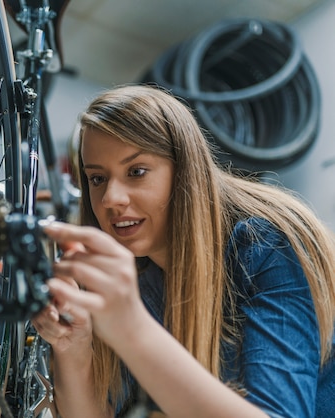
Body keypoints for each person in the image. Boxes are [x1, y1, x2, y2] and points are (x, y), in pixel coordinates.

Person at [33, 84, 335, 417]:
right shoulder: (140, 275)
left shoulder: (265, 246)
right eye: (97, 178)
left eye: (136, 172)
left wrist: (129, 326)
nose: (110, 200)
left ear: (184, 171)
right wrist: (71, 348)